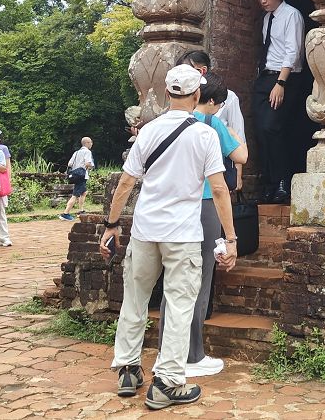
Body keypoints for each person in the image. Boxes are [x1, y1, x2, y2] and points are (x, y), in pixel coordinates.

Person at [100, 64, 238, 410]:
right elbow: (219, 190)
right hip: (183, 234)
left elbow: (126, 183)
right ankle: (168, 382)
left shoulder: (148, 132)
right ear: (196, 95)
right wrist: (231, 238)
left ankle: (128, 369)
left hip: (146, 230)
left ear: (166, 93)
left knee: (135, 298)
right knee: (178, 306)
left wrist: (112, 224)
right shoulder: (204, 135)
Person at [177, 74, 246, 378]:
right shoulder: (210, 123)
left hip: (175, 204)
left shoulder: (170, 120)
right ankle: (193, 353)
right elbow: (241, 155)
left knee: (174, 279)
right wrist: (231, 130)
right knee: (201, 278)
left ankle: (172, 351)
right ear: (215, 102)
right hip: (205, 202)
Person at [250, 0, 306, 204]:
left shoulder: (291, 15)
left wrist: (280, 83)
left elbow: (292, 51)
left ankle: (283, 181)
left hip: (285, 79)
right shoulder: (267, 18)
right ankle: (271, 183)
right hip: (265, 78)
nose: (262, 1)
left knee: (273, 127)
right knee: (260, 131)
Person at [177, 50, 245, 144]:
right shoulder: (181, 94)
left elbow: (238, 133)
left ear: (202, 71)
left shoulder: (229, 97)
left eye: (185, 72)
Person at [60, 136, 94, 220]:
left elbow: (69, 164)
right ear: (87, 143)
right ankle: (65, 213)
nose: (92, 144)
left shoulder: (76, 152)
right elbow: (87, 163)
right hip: (82, 175)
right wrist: (91, 166)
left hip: (75, 175)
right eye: (91, 142)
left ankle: (81, 210)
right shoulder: (87, 152)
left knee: (84, 192)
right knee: (75, 195)